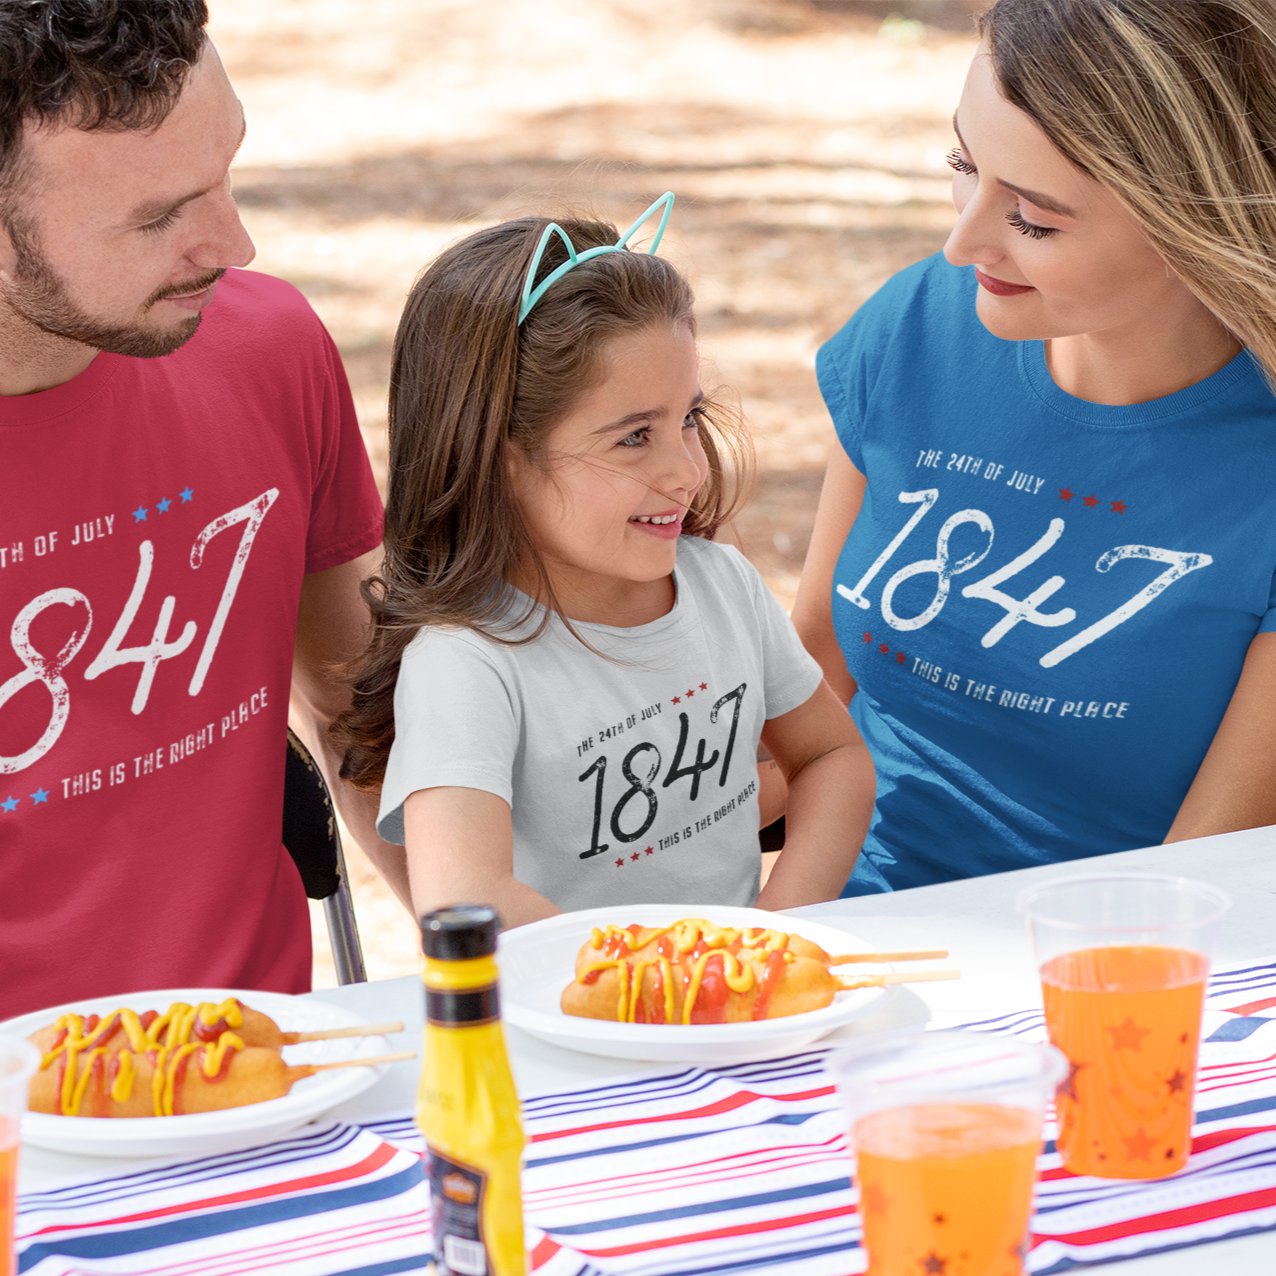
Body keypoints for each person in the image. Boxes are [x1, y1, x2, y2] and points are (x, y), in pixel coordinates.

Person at [792, 0, 1276, 895]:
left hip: (1113, 967)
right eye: (962, 167)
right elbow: (813, 670)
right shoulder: (915, 327)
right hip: (838, 932)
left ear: (1191, 222)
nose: (961, 240)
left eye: (1034, 220)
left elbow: (1202, 879)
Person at [0, 0, 385, 1019]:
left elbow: (367, 715)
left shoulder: (271, 350)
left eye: (228, 173)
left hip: (266, 1083)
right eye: (158, 216)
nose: (235, 244)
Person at [336, 197, 870, 926]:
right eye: (632, 438)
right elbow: (467, 898)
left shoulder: (724, 589)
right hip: (569, 1027)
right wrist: (655, 989)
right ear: (499, 455)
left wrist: (775, 932)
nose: (686, 470)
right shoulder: (467, 664)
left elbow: (831, 759)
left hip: (735, 1017)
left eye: (688, 418)